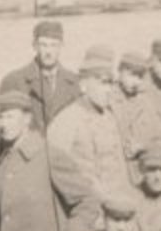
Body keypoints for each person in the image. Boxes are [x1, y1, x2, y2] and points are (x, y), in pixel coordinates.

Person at [0, 89, 98, 231]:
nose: (3, 124)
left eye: (10, 117)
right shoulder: (3, 163)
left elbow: (87, 200)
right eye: (0, 117)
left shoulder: (49, 156)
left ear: (27, 119)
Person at [47, 45, 128, 203]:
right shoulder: (66, 120)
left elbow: (119, 169)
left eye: (111, 83)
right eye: (103, 83)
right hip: (85, 207)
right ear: (83, 84)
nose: (109, 90)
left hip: (116, 205)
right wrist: (101, 199)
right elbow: (57, 170)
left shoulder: (109, 117)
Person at [0, 20, 81, 133]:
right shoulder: (14, 81)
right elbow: (5, 128)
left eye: (54, 45)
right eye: (43, 45)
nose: (49, 51)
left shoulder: (75, 83)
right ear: (35, 46)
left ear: (62, 46)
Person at [112, 50, 161, 181]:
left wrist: (143, 146)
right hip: (113, 173)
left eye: (140, 77)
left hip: (141, 175)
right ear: (120, 71)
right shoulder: (108, 100)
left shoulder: (146, 104)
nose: (135, 82)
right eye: (132, 75)